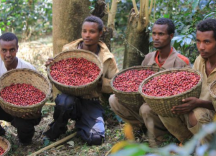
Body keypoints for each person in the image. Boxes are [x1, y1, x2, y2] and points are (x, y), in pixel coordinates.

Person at [109, 18, 191, 146]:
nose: (156, 38)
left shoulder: (181, 62)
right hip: (146, 102)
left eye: (161, 34)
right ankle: (140, 127)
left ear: (171, 36)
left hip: (169, 109)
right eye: (154, 34)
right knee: (114, 99)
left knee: (146, 108)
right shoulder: (148, 58)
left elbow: (187, 92)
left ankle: (162, 138)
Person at [159, 18, 216, 144]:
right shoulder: (199, 60)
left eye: (207, 42)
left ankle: (211, 149)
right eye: (198, 41)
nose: (201, 47)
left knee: (197, 113)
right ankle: (189, 142)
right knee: (166, 109)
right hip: (198, 109)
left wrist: (199, 103)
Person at [44, 15, 119, 145]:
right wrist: (52, 67)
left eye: (92, 31)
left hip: (92, 101)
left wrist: (101, 83)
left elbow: (115, 84)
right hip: (69, 97)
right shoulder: (69, 50)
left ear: (100, 33)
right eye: (84, 31)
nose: (87, 35)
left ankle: (82, 124)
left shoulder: (107, 57)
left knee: (96, 138)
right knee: (64, 102)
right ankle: (58, 127)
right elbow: (58, 75)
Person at [0, 32, 41, 146]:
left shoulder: (28, 69)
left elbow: (38, 95)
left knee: (25, 137)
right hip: (3, 107)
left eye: (12, 50)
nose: (8, 54)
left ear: (17, 48)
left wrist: (35, 113)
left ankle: (25, 136)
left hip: (24, 111)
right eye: (4, 50)